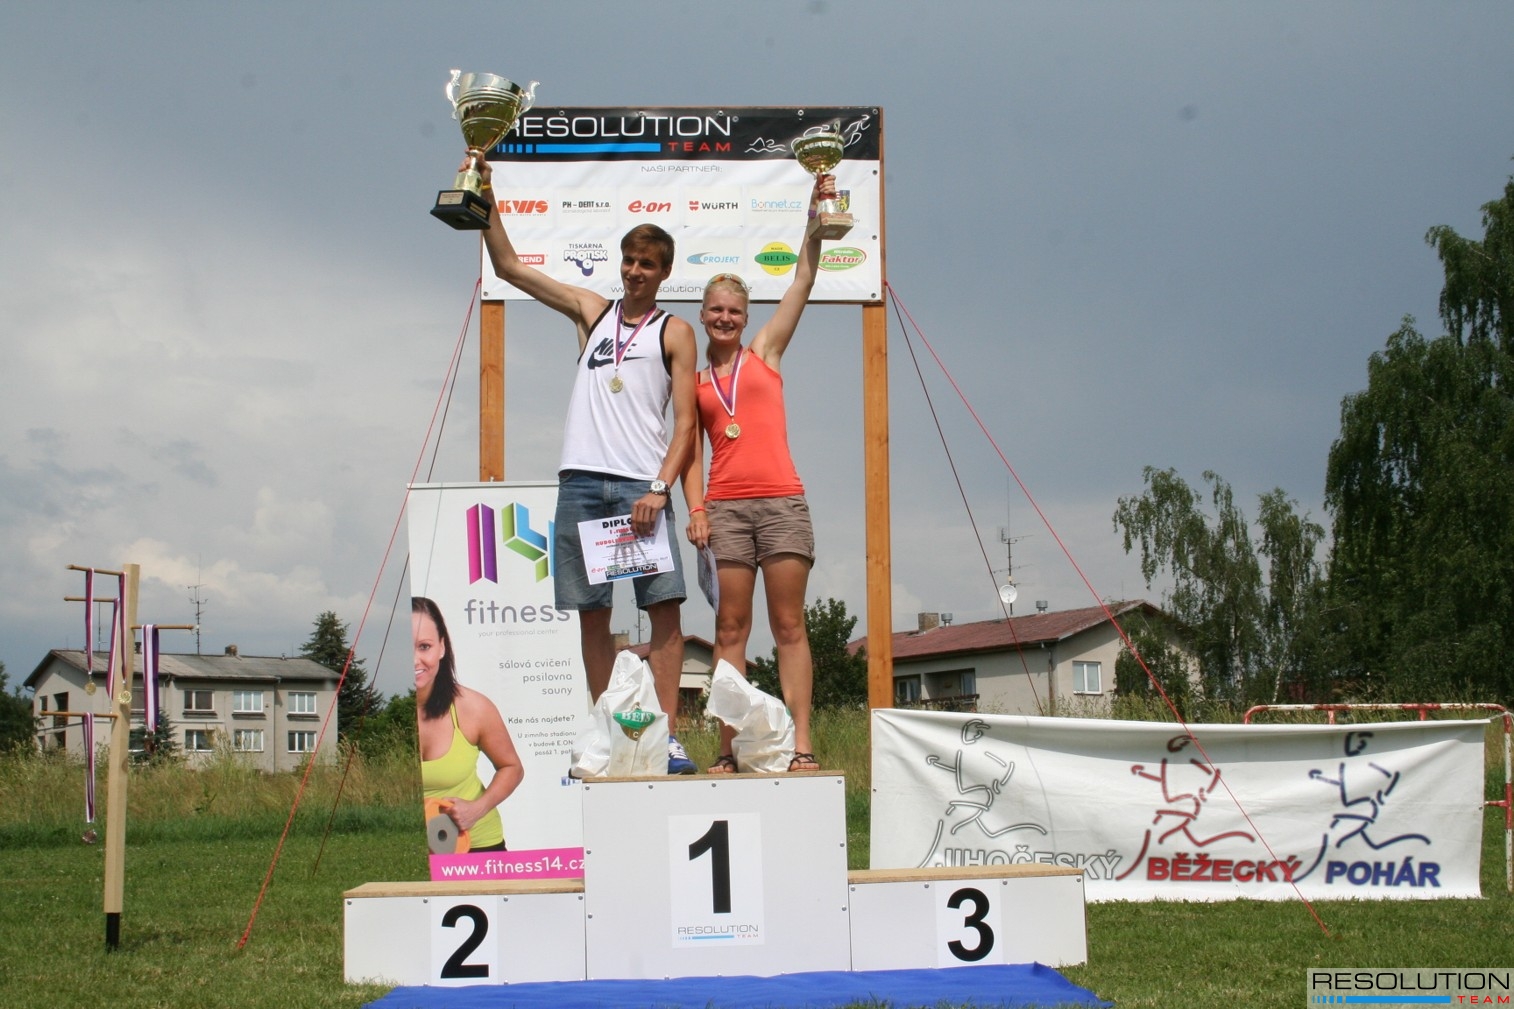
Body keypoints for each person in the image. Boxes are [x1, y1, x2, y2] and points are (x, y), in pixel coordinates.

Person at [470, 155, 699, 774]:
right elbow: (509, 267)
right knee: (592, 615)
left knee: (664, 610)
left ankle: (666, 736)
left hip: (639, 488)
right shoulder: (591, 311)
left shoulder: (675, 331)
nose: (635, 272)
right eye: (629, 261)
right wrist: (485, 191)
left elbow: (686, 424)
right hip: (580, 484)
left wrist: (661, 487)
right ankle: (606, 733)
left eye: (647, 264)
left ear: (664, 271)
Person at [682, 173, 835, 774]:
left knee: (790, 624)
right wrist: (696, 509)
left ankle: (802, 745)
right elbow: (690, 452)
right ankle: (729, 749)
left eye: (735, 311)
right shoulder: (694, 383)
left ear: (746, 318)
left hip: (781, 503)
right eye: (716, 310)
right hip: (725, 509)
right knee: (729, 629)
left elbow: (802, 280)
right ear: (702, 315)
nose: (725, 318)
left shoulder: (765, 353)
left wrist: (815, 222)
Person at [414, 596, 524, 852]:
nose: (414, 659)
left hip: (478, 846)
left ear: (442, 647)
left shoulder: (473, 707)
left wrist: (477, 809)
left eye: (424, 646)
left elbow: (512, 767)